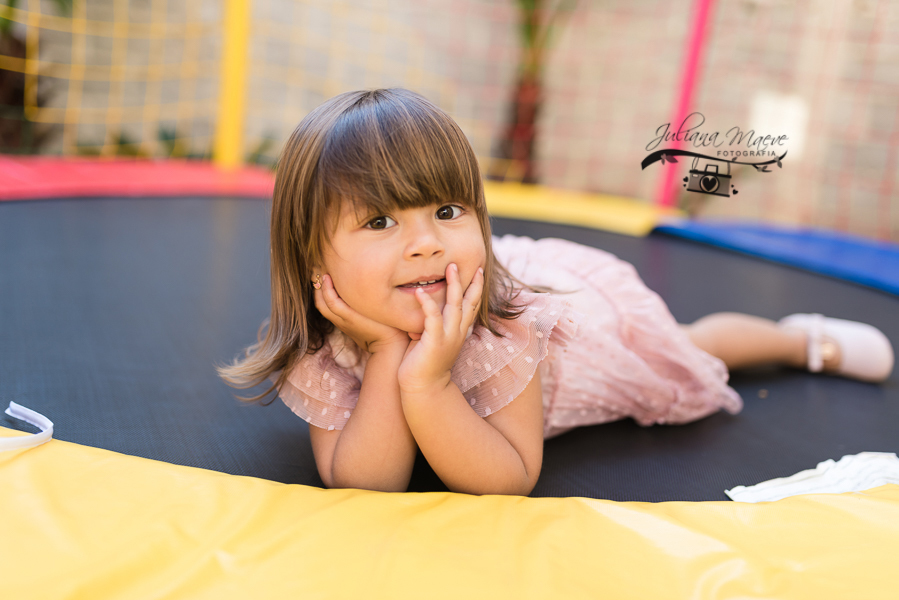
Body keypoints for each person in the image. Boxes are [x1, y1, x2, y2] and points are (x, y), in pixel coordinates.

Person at [217, 88, 894, 496]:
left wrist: (427, 382)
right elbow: (363, 482)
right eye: (380, 222)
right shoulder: (327, 343)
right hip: (429, 322)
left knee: (691, 347)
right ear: (311, 255)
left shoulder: (509, 329)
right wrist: (389, 351)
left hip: (590, 340)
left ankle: (801, 340)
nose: (427, 244)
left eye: (447, 212)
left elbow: (511, 475)